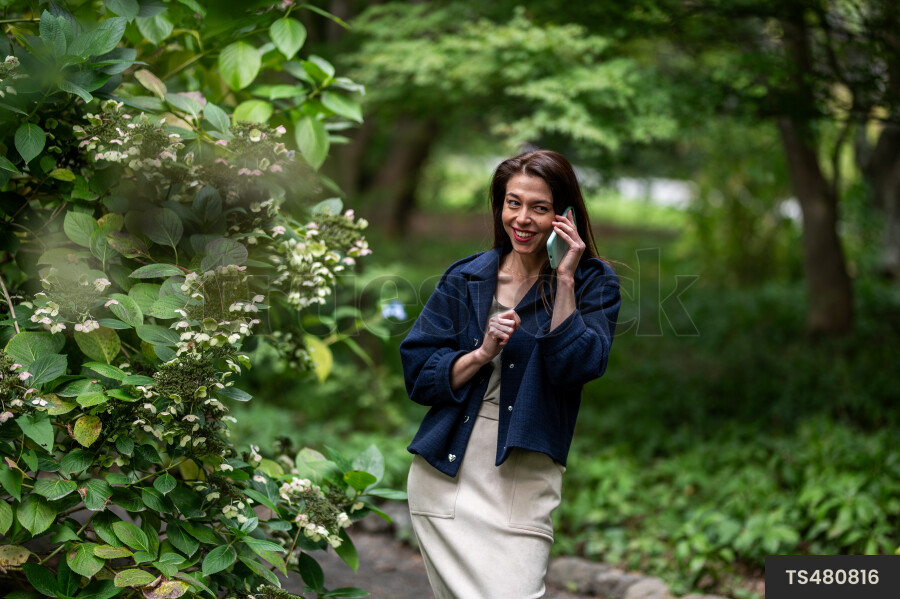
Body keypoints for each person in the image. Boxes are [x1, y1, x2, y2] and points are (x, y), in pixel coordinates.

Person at [399, 150, 621, 598]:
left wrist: (564, 279)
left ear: (565, 215)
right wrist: (481, 353)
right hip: (447, 477)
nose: (522, 219)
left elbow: (576, 367)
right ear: (499, 205)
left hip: (525, 478)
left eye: (539, 207)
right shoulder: (465, 278)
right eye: (512, 203)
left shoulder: (593, 282)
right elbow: (420, 376)